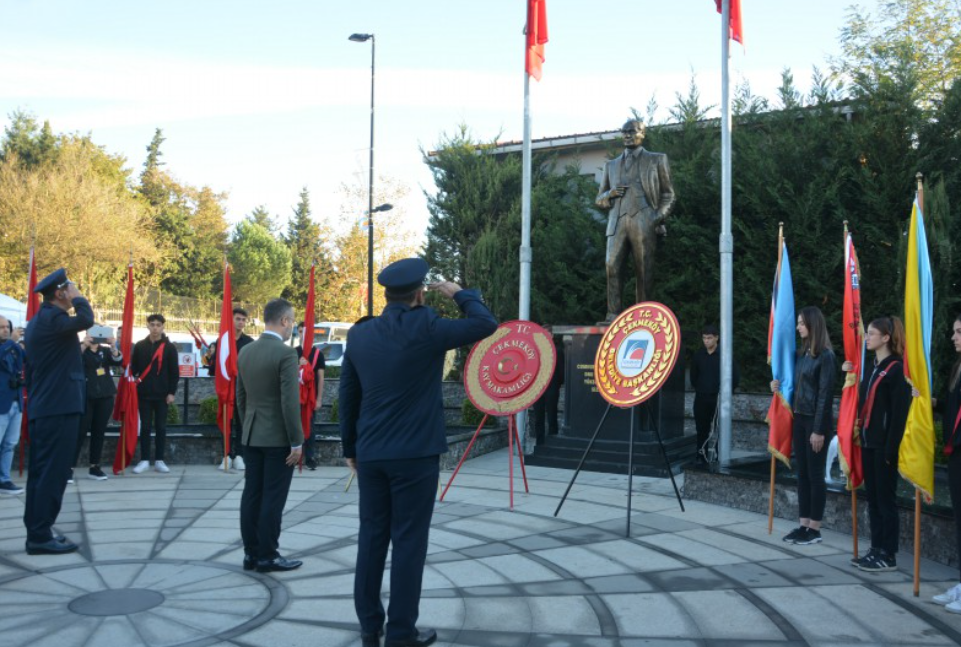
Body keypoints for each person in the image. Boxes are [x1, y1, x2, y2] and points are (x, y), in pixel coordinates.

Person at [341, 258, 497, 647]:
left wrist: (350, 449)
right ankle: (400, 633)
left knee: (371, 538)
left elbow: (348, 396)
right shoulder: (427, 326)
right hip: (414, 456)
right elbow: (486, 325)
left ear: (387, 295)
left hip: (372, 453)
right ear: (419, 293)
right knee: (408, 543)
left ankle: (368, 627)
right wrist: (462, 294)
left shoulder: (360, 336)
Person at [22, 268, 94, 554]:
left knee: (42, 474)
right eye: (70, 287)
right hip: (57, 408)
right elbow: (87, 319)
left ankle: (39, 530)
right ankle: (39, 536)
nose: (74, 290)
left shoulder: (44, 320)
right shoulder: (53, 319)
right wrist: (79, 297)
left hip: (49, 407)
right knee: (52, 474)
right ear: (60, 293)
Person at [237, 298, 303, 573]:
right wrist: (297, 441)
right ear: (284, 320)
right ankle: (268, 555)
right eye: (292, 321)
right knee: (273, 498)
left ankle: (251, 554)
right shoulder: (286, 354)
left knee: (252, 495)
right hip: (277, 438)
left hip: (251, 435)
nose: (292, 328)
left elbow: (241, 397)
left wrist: (247, 427)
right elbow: (289, 402)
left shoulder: (246, 352)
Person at [841, 317, 910, 571]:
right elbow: (860, 400)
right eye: (866, 333)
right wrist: (849, 375)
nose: (866, 337)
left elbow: (899, 414)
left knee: (885, 500)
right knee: (872, 500)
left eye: (871, 333)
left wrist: (891, 449)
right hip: (868, 442)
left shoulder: (896, 370)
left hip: (883, 446)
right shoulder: (871, 367)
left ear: (886, 338)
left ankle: (888, 554)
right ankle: (875, 548)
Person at [595, 118, 676, 320]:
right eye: (624, 132)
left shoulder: (657, 159)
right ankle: (613, 315)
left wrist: (656, 217)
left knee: (644, 270)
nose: (628, 135)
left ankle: (643, 315)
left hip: (644, 220)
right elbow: (599, 199)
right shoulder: (611, 165)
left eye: (632, 131)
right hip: (617, 221)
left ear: (642, 133)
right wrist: (609, 194)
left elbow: (669, 194)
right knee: (611, 265)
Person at [772, 306, 837, 546]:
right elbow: (791, 385)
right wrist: (776, 386)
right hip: (799, 419)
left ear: (813, 325)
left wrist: (818, 430)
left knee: (815, 475)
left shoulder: (826, 356)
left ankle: (815, 529)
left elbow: (825, 395)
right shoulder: (801, 355)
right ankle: (803, 525)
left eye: (801, 323)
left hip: (815, 421)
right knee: (802, 475)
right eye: (798, 322)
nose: (798, 327)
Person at [932, 314, 961, 611]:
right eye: (954, 331)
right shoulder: (957, 368)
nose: (954, 337)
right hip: (956, 454)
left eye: (959, 332)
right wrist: (935, 403)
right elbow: (953, 410)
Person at [130, 314, 179, 474]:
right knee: (144, 427)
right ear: (147, 326)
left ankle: (159, 460)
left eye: (158, 325)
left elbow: (174, 372)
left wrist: (171, 392)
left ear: (163, 327)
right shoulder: (139, 346)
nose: (155, 328)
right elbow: (134, 369)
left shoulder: (169, 347)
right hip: (143, 394)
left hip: (162, 395)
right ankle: (144, 460)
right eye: (152, 324)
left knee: (161, 427)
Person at [208, 307, 255, 470]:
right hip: (227, 389)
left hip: (243, 390)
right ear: (231, 320)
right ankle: (226, 455)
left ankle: (240, 455)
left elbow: (253, 366)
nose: (241, 322)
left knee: (241, 423)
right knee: (226, 422)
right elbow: (214, 367)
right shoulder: (223, 340)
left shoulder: (249, 342)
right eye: (238, 319)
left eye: (243, 319)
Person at [75, 330, 123, 481]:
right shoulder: (80, 348)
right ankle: (68, 467)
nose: (95, 337)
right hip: (85, 395)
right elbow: (71, 361)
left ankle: (94, 467)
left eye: (98, 333)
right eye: (92, 333)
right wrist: (84, 345)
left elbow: (118, 361)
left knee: (99, 432)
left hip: (105, 395)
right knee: (80, 431)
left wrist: (114, 346)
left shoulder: (106, 350)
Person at [689, 324, 740, 464]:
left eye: (709, 338)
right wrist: (700, 388)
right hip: (702, 397)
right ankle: (701, 456)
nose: (706, 341)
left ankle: (720, 456)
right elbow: (694, 376)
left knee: (720, 429)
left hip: (719, 398)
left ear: (716, 338)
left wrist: (726, 393)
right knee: (701, 428)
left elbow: (734, 376)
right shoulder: (698, 355)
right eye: (704, 338)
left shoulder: (725, 355)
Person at [0, 315, 26, 496]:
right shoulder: (8, 345)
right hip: (1, 403)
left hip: (16, 402)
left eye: (7, 327)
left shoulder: (13, 347)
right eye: (1, 327)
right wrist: (12, 341)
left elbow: (24, 361)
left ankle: (4, 479)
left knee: (10, 443)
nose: (6, 330)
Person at [296, 323, 325, 470]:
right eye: (301, 332)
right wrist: (297, 366)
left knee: (310, 426)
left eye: (306, 332)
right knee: (295, 426)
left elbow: (320, 377)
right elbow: (286, 374)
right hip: (295, 397)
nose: (303, 335)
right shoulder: (293, 352)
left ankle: (310, 457)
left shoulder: (318, 354)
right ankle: (295, 456)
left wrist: (319, 398)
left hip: (310, 397)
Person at [533, 333, 564, 443]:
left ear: (551, 335)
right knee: (538, 417)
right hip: (537, 389)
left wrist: (557, 384)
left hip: (552, 387)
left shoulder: (557, 350)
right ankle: (539, 443)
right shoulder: (535, 351)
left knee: (552, 415)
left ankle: (552, 441)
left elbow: (562, 372)